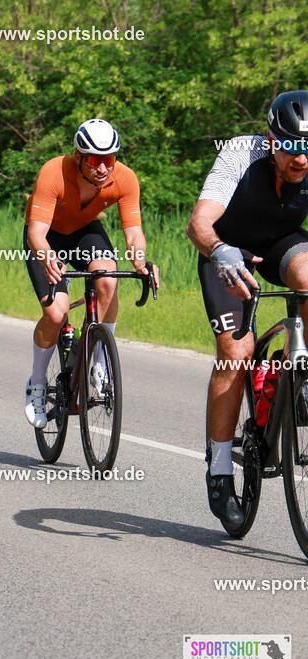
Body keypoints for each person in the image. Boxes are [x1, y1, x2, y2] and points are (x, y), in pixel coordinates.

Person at [186, 90, 308, 532]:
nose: (300, 158)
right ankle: (219, 471)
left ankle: (302, 376)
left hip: (281, 244)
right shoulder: (241, 152)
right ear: (271, 138)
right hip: (228, 251)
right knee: (234, 354)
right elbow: (199, 222)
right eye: (291, 146)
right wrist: (219, 251)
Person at [23, 119, 157, 427]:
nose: (103, 168)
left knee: (108, 278)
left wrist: (140, 263)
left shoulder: (125, 178)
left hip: (84, 231)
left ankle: (99, 360)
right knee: (56, 315)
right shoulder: (53, 172)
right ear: (78, 156)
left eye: (109, 159)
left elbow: (134, 234)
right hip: (47, 236)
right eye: (95, 160)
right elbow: (36, 235)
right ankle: (38, 383)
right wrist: (48, 259)